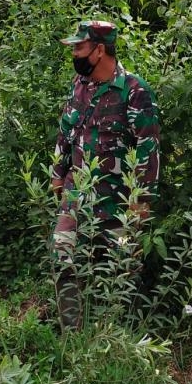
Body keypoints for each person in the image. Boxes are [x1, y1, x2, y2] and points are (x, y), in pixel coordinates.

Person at [51, 19, 160, 329]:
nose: (74, 54)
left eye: (79, 48)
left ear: (99, 50)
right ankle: (72, 334)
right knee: (62, 255)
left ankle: (116, 338)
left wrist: (140, 203)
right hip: (76, 191)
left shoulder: (135, 92)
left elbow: (147, 151)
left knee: (120, 269)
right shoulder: (78, 85)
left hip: (118, 199)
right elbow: (66, 130)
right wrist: (58, 173)